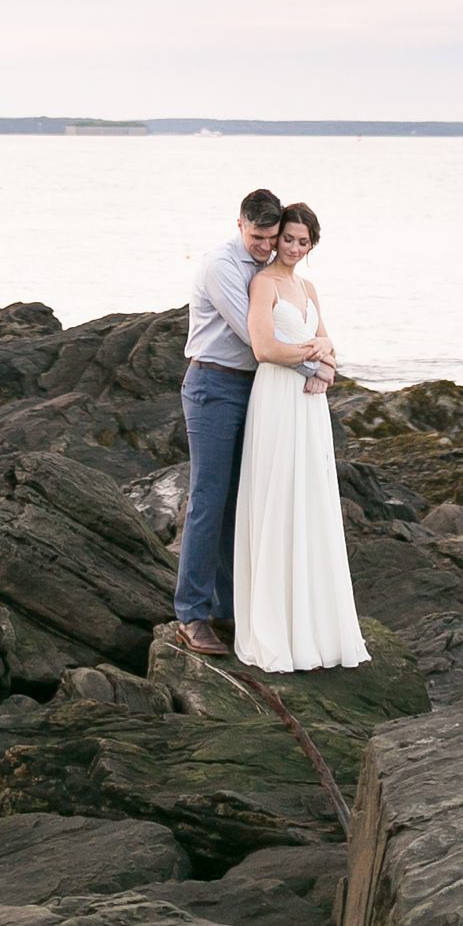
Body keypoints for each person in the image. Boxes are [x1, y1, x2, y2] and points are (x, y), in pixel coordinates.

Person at [232, 200, 369, 671]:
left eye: (301, 241)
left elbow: (329, 340)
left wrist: (325, 366)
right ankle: (277, 629)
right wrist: (313, 359)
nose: (291, 247)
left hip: (310, 405)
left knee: (310, 501)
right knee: (279, 498)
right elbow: (265, 347)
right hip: (276, 400)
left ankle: (314, 624)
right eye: (286, 238)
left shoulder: (308, 287)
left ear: (312, 245)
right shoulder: (263, 283)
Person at [173, 186, 286, 657]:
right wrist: (313, 363)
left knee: (239, 503)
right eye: (258, 236)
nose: (265, 245)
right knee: (208, 500)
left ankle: (227, 608)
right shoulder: (221, 266)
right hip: (213, 387)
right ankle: (191, 616)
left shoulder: (270, 267)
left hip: (253, 389)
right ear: (240, 224)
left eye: (272, 238)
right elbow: (254, 334)